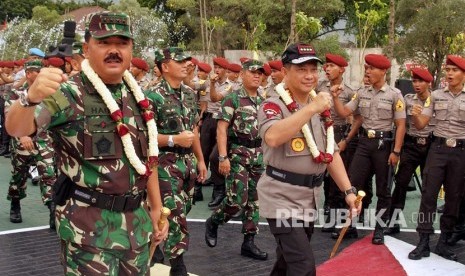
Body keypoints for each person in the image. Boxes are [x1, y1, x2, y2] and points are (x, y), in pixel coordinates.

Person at [5, 12, 168, 275]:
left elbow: (148, 158)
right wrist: (29, 99)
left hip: (136, 227)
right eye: (104, 43)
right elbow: (17, 128)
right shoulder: (68, 94)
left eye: (122, 43)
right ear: (86, 48)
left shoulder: (141, 98)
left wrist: (156, 207)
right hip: (88, 230)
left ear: (131, 49)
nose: (114, 50)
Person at [257, 43, 360, 276]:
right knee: (303, 266)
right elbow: (273, 137)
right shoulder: (274, 104)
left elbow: (330, 153)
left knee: (287, 261)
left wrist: (348, 191)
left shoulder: (319, 107)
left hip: (310, 198)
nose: (310, 76)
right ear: (285, 71)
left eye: (313, 69)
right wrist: (311, 108)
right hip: (281, 198)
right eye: (301, 69)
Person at [332, 53, 406, 245]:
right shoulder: (362, 93)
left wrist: (396, 151)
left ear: (383, 71)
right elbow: (344, 112)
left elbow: (401, 125)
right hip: (364, 144)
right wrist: (335, 98)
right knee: (352, 186)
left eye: (372, 68)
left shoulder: (394, 95)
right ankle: (350, 226)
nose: (368, 71)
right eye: (367, 68)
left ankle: (379, 230)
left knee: (384, 190)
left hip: (384, 145)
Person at [147, 46, 207, 275]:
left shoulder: (189, 93)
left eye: (187, 62)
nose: (186, 65)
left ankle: (151, 235)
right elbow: (145, 136)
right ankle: (178, 265)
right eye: (180, 61)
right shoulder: (152, 97)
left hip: (187, 164)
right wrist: (173, 139)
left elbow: (193, 130)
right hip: (163, 164)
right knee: (175, 211)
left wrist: (201, 160)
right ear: (164, 66)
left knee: (182, 207)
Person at [205, 59, 268, 260]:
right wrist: (223, 157)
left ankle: (249, 242)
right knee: (237, 200)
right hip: (238, 154)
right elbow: (222, 129)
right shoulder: (233, 98)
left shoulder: (263, 100)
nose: (257, 75)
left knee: (254, 201)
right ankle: (214, 221)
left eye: (260, 73)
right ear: (242, 75)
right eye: (253, 72)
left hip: (258, 156)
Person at [408, 55, 465, 261]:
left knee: (453, 198)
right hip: (438, 150)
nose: (449, 73)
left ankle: (443, 242)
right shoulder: (437, 95)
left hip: (460, 153)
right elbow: (422, 123)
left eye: (454, 70)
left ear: (463, 74)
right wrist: (415, 114)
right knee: (428, 195)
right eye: (447, 69)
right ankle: (423, 241)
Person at [385, 68, 435, 235]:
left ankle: (426, 227)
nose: (417, 85)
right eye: (414, 81)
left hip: (431, 146)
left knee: (430, 187)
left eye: (420, 81)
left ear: (429, 83)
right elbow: (401, 123)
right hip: (411, 145)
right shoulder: (407, 99)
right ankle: (393, 222)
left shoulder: (435, 100)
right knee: (401, 183)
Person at [317, 53, 360, 237]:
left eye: (331, 66)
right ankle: (331, 216)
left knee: (340, 180)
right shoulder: (319, 87)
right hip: (322, 132)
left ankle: (342, 221)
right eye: (326, 66)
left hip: (340, 134)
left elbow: (356, 118)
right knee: (325, 178)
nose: (327, 69)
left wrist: (346, 140)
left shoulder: (350, 91)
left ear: (342, 69)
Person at [4, 60, 46, 224]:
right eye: (38, 72)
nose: (41, 75)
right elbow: (10, 117)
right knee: (19, 176)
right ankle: (15, 205)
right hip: (22, 142)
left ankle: (52, 210)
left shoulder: (49, 93)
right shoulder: (16, 94)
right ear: (29, 74)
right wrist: (23, 135)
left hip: (44, 142)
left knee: (49, 176)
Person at [201, 57, 233, 208]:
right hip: (209, 120)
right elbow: (205, 102)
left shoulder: (230, 86)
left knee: (216, 156)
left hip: (222, 122)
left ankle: (219, 190)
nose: (217, 70)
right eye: (215, 67)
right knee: (203, 153)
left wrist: (212, 84)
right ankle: (198, 187)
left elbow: (214, 98)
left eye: (220, 68)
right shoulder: (208, 83)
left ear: (226, 70)